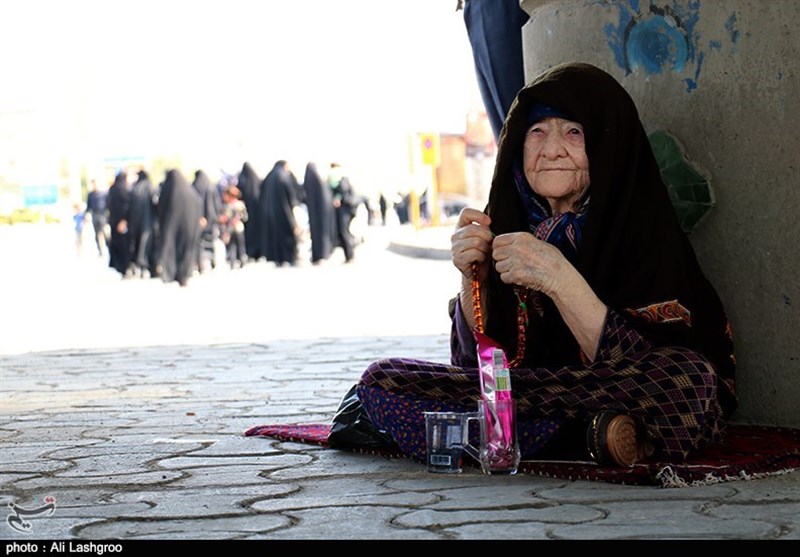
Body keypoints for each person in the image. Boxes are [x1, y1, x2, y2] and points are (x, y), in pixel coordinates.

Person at [337, 62, 737, 468]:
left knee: (685, 381)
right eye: (537, 132)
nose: (551, 150)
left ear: (605, 144)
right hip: (545, 395)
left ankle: (507, 435)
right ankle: (584, 437)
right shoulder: (506, 224)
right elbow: (474, 368)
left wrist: (559, 278)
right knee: (381, 378)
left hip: (638, 389)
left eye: (574, 133)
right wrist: (470, 277)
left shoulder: (641, 226)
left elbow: (664, 370)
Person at [157, 169, 203, 287]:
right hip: (189, 226)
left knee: (171, 247)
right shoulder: (191, 192)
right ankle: (184, 275)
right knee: (186, 249)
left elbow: (160, 207)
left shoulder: (168, 191)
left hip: (170, 227)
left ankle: (170, 273)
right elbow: (199, 205)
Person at [260, 160, 301, 267]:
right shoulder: (283, 176)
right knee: (287, 234)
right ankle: (289, 258)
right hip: (284, 211)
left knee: (275, 236)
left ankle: (278, 259)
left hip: (270, 213)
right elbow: (290, 194)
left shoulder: (269, 176)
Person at [302, 162, 335, 264]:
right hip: (321, 213)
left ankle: (320, 255)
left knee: (318, 234)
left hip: (316, 213)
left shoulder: (312, 180)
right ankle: (321, 254)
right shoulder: (319, 181)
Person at [127, 169, 157, 278]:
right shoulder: (149, 186)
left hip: (134, 222)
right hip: (148, 222)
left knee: (137, 244)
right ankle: (145, 267)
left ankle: (138, 266)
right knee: (146, 244)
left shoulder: (134, 188)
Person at [328, 163, 357, 263]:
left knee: (344, 232)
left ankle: (350, 255)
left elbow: (343, 192)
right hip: (346, 209)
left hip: (344, 209)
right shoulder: (342, 177)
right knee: (344, 232)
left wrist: (337, 198)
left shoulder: (340, 178)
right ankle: (349, 255)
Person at [106, 171, 132, 276]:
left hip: (114, 223)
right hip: (122, 224)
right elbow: (127, 206)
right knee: (124, 246)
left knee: (117, 245)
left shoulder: (112, 190)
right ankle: (125, 267)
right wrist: (125, 220)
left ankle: (121, 268)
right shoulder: (124, 190)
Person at [218, 184, 248, 269]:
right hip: (239, 228)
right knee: (240, 245)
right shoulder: (241, 204)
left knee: (232, 245)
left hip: (231, 229)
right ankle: (242, 259)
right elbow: (245, 217)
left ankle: (233, 261)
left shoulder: (229, 206)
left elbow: (226, 218)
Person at [84, 179, 109, 256]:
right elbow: (88, 207)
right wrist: (86, 215)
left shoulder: (104, 194)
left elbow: (108, 204)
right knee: (97, 233)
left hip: (103, 216)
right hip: (95, 215)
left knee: (105, 233)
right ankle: (100, 250)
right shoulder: (91, 195)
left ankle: (109, 248)